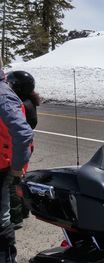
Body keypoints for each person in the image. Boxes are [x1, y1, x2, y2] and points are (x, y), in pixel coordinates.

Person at [0, 64, 33, 262]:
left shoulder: (3, 96)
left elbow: (23, 134)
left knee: (2, 221)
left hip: (2, 166)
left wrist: (17, 167)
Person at [6, 71, 39, 229]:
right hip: (25, 145)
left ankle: (16, 217)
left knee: (13, 181)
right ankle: (25, 210)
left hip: (17, 146)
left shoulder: (19, 104)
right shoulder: (29, 101)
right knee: (20, 178)